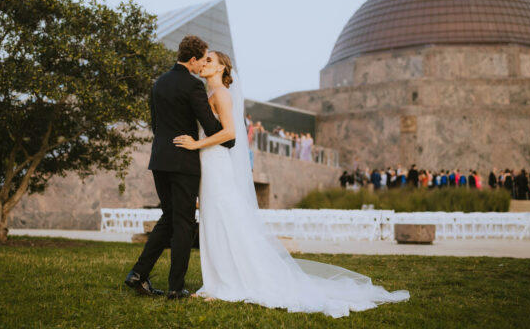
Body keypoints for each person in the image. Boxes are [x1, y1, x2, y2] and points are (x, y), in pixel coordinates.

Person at [173, 50, 409, 317]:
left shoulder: (222, 95)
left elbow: (230, 133)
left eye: (209, 61)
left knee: (224, 220)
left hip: (216, 162)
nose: (203, 64)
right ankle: (215, 281)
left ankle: (229, 283)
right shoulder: (208, 95)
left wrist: (196, 144)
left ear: (220, 69)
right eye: (203, 60)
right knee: (214, 220)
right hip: (208, 163)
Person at [125, 35, 235, 299]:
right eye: (203, 60)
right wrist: (222, 127)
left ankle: (138, 275)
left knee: (169, 217)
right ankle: (176, 287)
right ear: (194, 59)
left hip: (160, 160)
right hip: (184, 161)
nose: (202, 66)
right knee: (184, 222)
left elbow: (155, 124)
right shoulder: (193, 86)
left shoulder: (159, 83)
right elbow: (213, 129)